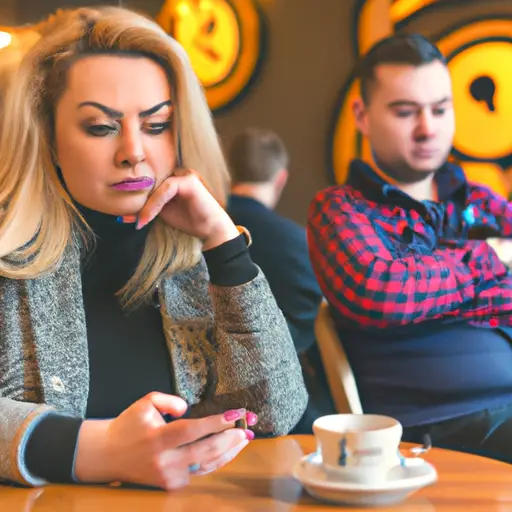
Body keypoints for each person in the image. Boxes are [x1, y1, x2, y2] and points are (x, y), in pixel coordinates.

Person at [0, 6, 308, 489]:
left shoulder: (191, 261)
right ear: (49, 138)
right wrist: (94, 450)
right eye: (101, 127)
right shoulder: (9, 256)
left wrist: (224, 244)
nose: (133, 151)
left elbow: (272, 412)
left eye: (157, 124)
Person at [308, 33, 512, 463]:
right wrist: (487, 259)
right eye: (406, 112)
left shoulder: (476, 200)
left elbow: (408, 287)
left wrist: (430, 283)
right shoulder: (342, 209)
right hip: (434, 430)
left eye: (440, 109)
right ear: (362, 115)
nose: (428, 128)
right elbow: (382, 293)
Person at [226, 129, 333, 432]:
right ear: (281, 178)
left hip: (210, 397)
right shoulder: (302, 244)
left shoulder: (198, 235)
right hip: (294, 407)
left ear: (229, 171)